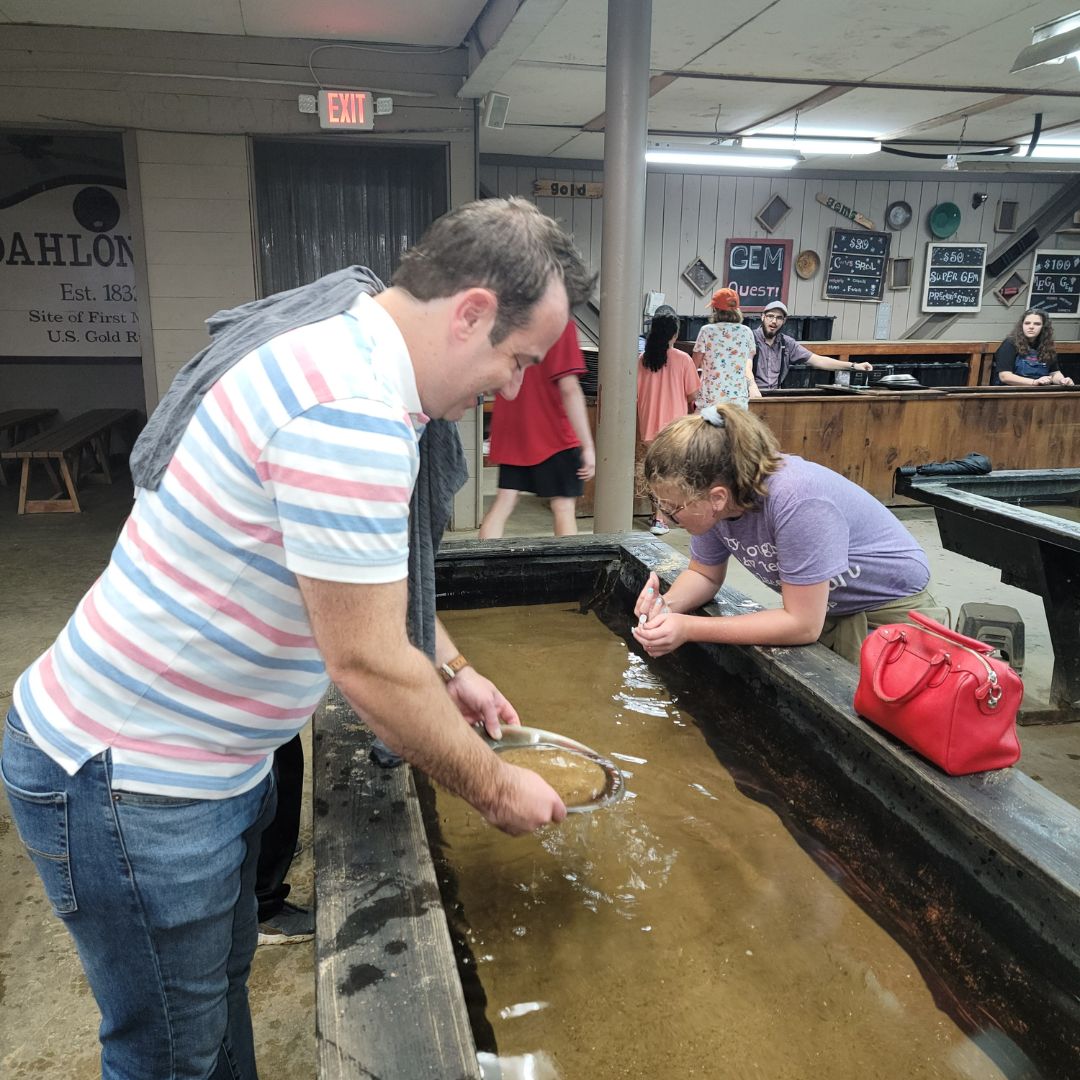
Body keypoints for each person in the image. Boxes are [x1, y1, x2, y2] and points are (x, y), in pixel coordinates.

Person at [1, 196, 594, 1078]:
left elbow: (356, 589)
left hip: (203, 768)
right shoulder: (347, 412)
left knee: (209, 1003)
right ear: (470, 311)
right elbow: (364, 662)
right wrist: (494, 785)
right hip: (132, 780)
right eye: (514, 358)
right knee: (168, 1051)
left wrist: (453, 667)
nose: (510, 387)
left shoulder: (345, 357)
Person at [631, 404, 946, 666]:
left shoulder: (797, 500)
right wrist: (667, 607)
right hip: (827, 607)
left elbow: (802, 624)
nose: (666, 517)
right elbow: (705, 575)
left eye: (673, 508)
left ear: (717, 497)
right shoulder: (719, 507)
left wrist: (688, 627)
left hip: (891, 613)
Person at [478, 320, 596, 539]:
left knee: (504, 502)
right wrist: (587, 445)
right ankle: (569, 571)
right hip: (554, 433)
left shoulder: (511, 320)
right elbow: (569, 388)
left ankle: (480, 565)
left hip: (512, 430)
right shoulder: (559, 323)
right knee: (563, 507)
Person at [636, 312, 700, 535]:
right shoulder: (683, 359)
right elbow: (693, 394)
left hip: (649, 427)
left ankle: (658, 517)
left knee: (655, 474)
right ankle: (672, 516)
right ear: (675, 333)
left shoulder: (643, 360)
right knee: (675, 474)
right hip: (676, 429)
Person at [751, 300, 873, 390]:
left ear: (784, 321)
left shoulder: (787, 343)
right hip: (749, 395)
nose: (774, 321)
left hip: (774, 396)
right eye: (770, 316)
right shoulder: (749, 338)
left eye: (779, 318)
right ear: (762, 317)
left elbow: (818, 360)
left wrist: (854, 366)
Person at [692, 287, 760, 411]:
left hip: (709, 401)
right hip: (738, 404)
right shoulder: (747, 332)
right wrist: (752, 386)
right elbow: (747, 367)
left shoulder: (706, 331)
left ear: (715, 309)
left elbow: (692, 368)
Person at [991, 308, 1074, 386]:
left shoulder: (1047, 345)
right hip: (1010, 392)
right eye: (1027, 323)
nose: (1031, 327)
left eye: (1037, 324)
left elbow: (1054, 372)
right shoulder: (1010, 344)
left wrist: (1062, 381)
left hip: (1037, 392)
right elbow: (1005, 376)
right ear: (1022, 325)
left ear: (1043, 327)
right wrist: (1034, 382)